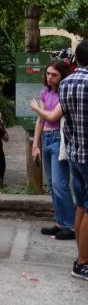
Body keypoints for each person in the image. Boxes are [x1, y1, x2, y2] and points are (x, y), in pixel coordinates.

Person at [32, 60, 76, 240]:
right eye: (48, 74)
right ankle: (60, 222)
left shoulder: (63, 93)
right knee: (51, 184)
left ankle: (70, 226)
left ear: (62, 75)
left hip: (59, 139)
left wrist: (35, 108)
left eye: (54, 75)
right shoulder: (45, 92)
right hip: (46, 138)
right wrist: (35, 144)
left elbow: (51, 116)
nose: (50, 78)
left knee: (59, 184)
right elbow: (41, 121)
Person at [58, 40, 88, 281]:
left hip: (76, 153)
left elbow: (65, 122)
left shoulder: (65, 84)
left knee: (81, 205)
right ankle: (83, 262)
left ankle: (81, 256)